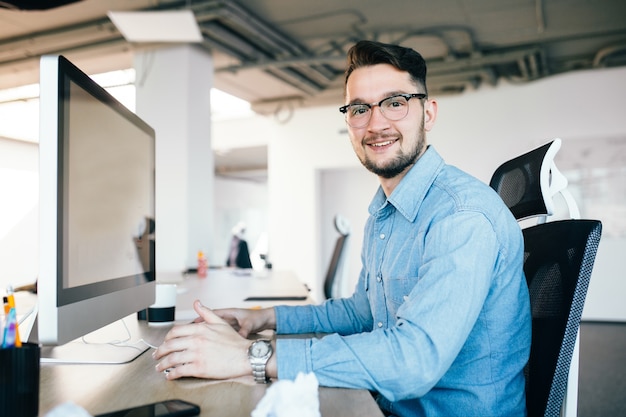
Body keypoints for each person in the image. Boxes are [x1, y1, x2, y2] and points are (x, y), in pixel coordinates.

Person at [153, 40, 531, 417]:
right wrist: (262, 318)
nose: (376, 123)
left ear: (428, 114)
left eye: (395, 103)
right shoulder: (385, 213)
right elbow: (361, 313)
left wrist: (252, 355)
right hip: (382, 404)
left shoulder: (461, 216)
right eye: (359, 109)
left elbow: (413, 361)